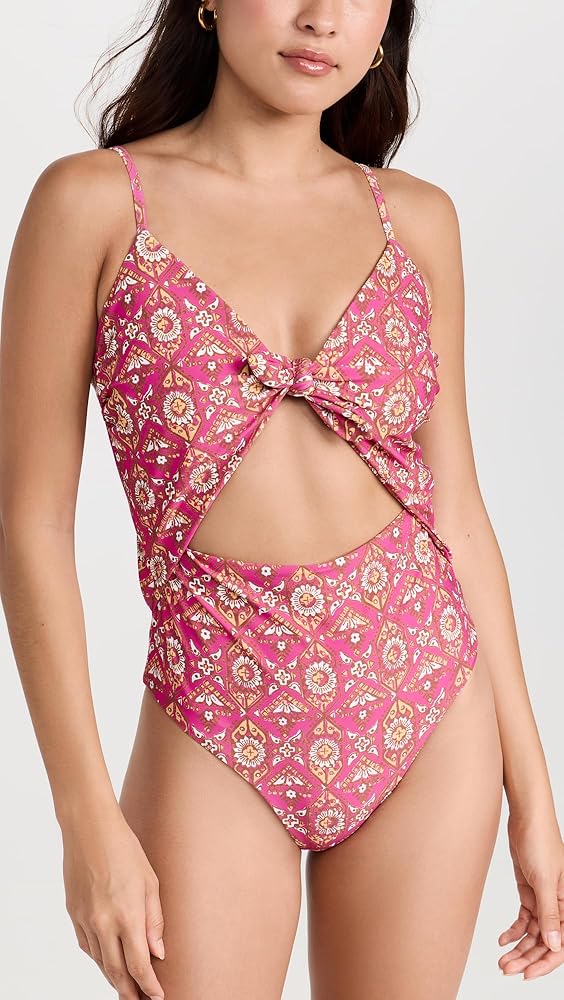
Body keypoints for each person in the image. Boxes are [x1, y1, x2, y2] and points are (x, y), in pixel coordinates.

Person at [1, 1, 562, 997]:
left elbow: (460, 514)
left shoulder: (416, 220)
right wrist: (85, 820)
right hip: (215, 707)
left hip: (428, 704)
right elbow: (30, 525)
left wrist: (535, 792)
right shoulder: (92, 204)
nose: (320, 18)